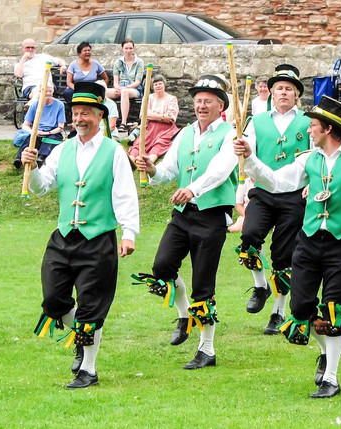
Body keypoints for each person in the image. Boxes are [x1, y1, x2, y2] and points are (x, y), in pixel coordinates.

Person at [234, 95, 341, 398]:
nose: (308, 131)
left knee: (333, 311)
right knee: (301, 308)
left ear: (329, 130)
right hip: (307, 241)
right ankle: (326, 352)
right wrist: (251, 158)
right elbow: (276, 182)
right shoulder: (308, 158)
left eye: (313, 126)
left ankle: (331, 377)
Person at [24, 81, 139, 389]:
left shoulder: (114, 153)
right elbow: (41, 186)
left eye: (85, 113)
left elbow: (125, 194)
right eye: (75, 113)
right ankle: (80, 335)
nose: (79, 119)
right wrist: (32, 168)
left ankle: (88, 369)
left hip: (99, 239)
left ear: (99, 116)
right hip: (63, 238)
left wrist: (128, 233)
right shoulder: (62, 150)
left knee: (91, 306)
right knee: (52, 300)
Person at [134, 75, 237, 370]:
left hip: (212, 216)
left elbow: (220, 170)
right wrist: (152, 169)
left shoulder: (231, 134)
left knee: (203, 287)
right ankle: (183, 315)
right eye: (198, 101)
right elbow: (169, 170)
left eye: (208, 101)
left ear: (221, 105)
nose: (201, 105)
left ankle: (207, 350)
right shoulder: (185, 134)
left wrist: (194, 189)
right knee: (162, 267)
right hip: (183, 216)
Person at [235, 64, 310, 335]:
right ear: (272, 92)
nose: (283, 93)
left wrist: (314, 183)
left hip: (294, 195)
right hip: (264, 192)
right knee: (250, 236)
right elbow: (246, 156)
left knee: (283, 256)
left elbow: (316, 155)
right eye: (279, 88)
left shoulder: (307, 121)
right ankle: (260, 285)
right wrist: (243, 185)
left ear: (296, 95)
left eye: (289, 89)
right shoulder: (257, 121)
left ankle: (278, 311)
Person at [128, 74, 179, 163]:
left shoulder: (172, 99)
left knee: (159, 143)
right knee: (141, 142)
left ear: (164, 85)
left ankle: (149, 162)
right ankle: (131, 161)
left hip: (166, 128)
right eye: (155, 84)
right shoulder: (148, 98)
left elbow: (170, 117)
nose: (158, 86)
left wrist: (153, 115)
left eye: (160, 84)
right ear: (152, 87)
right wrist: (162, 116)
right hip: (149, 126)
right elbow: (143, 114)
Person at [13, 85, 65, 168]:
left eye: (50, 91)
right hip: (37, 130)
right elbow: (25, 125)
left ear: (53, 92)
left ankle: (41, 158)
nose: (48, 93)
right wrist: (33, 132)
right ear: (40, 92)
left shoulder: (59, 105)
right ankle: (19, 158)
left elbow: (61, 127)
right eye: (45, 91)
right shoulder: (35, 105)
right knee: (29, 140)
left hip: (53, 131)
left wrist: (48, 132)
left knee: (50, 140)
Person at [107, 39, 144, 133]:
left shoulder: (139, 62)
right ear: (122, 49)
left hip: (133, 88)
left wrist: (125, 88)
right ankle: (106, 119)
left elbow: (138, 82)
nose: (128, 51)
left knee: (124, 92)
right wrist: (118, 88)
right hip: (120, 87)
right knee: (103, 92)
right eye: (126, 48)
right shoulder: (118, 62)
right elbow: (116, 82)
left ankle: (123, 123)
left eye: (130, 48)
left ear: (133, 48)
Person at [14, 38, 67, 103]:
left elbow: (59, 60)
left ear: (35, 48)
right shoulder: (20, 64)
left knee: (42, 89)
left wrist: (63, 65)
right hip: (30, 88)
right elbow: (18, 75)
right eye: (28, 47)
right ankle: (35, 103)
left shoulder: (43, 57)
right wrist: (23, 59)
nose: (30, 50)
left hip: (47, 86)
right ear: (22, 48)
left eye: (32, 47)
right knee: (37, 89)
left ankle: (32, 103)